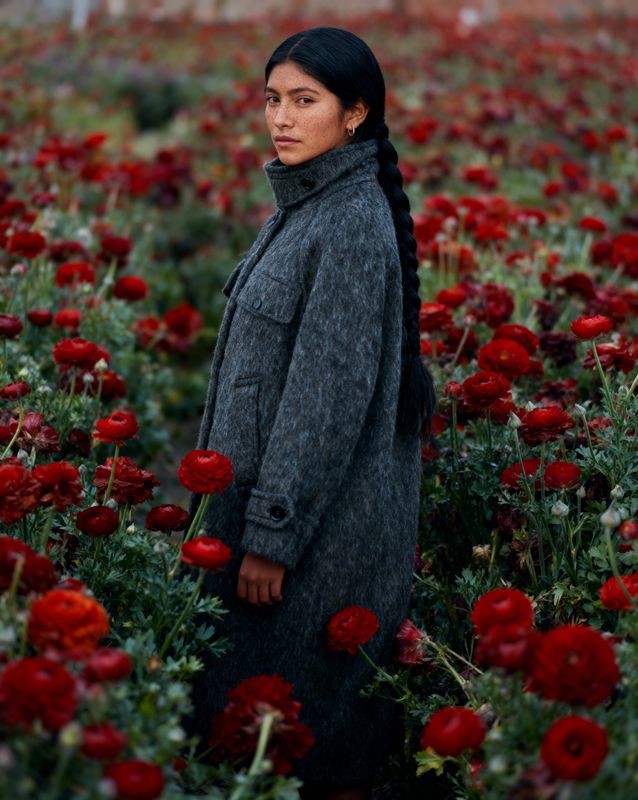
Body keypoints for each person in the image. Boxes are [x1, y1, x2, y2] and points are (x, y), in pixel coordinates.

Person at [186, 26, 436, 800]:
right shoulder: (305, 208)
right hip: (272, 519)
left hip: (310, 546)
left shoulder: (350, 224)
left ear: (355, 114)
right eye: (272, 100)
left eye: (305, 101)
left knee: (293, 755)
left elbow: (323, 402)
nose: (281, 119)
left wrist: (272, 535)